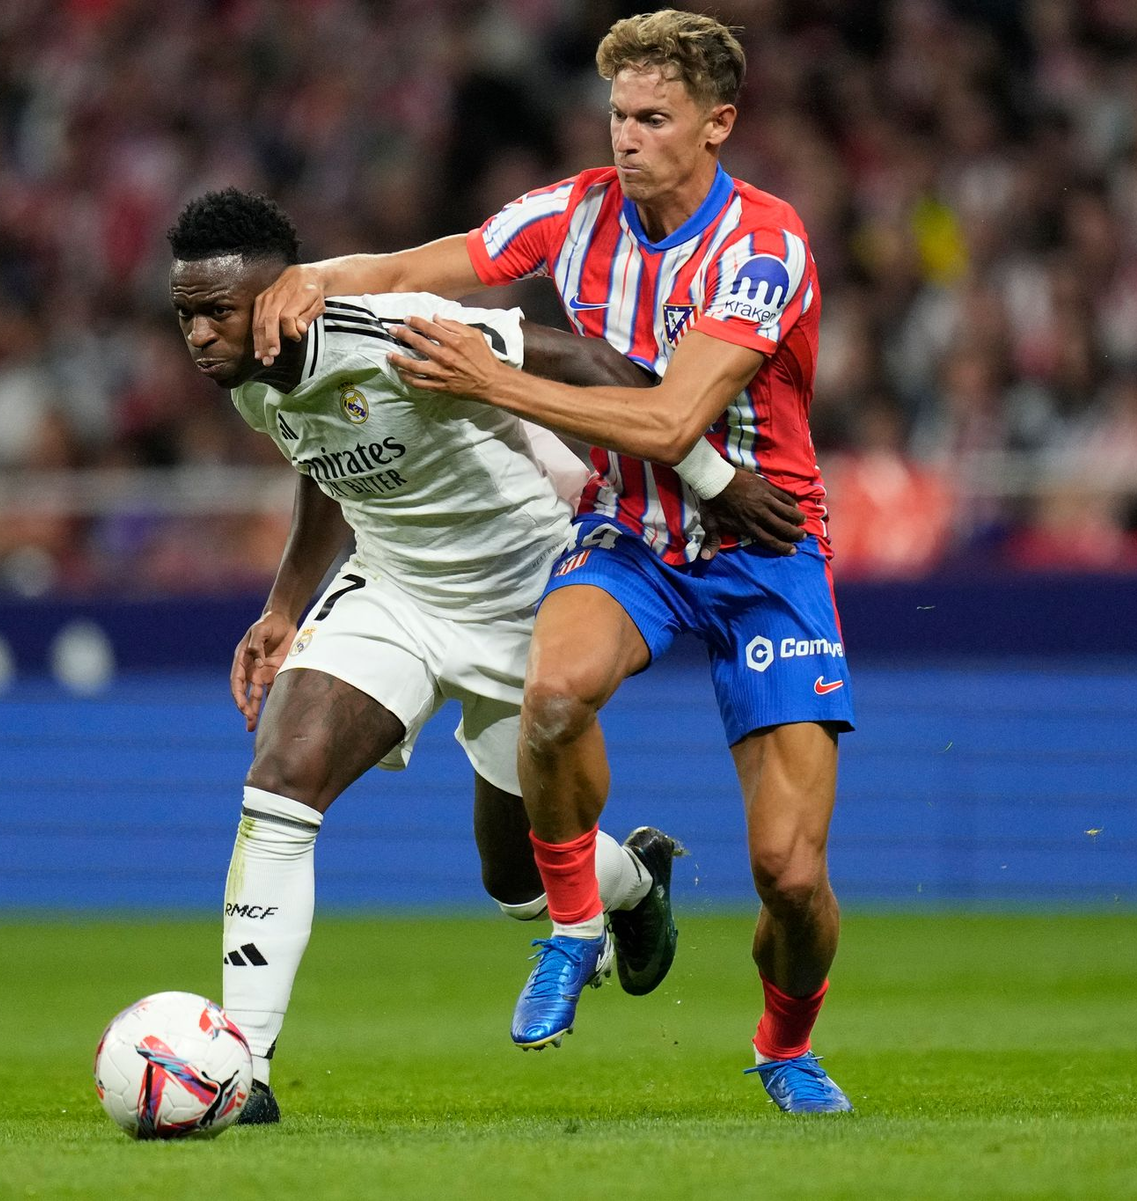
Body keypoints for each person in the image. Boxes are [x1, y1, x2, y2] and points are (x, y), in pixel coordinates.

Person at [252, 9, 855, 1114]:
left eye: (655, 118)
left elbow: (672, 421)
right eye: (618, 112)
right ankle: (575, 927)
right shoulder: (571, 212)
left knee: (792, 875)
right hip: (632, 536)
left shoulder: (764, 248)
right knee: (553, 693)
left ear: (718, 124)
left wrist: (491, 378)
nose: (627, 137)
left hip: (765, 551)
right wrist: (304, 280)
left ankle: (784, 1043)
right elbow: (408, 263)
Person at [167, 187, 691, 1125]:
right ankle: (241, 1068)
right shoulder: (251, 382)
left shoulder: (401, 330)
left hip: (527, 592)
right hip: (397, 588)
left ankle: (634, 881)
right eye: (186, 316)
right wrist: (287, 605)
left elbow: (584, 356)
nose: (200, 335)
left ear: (280, 295)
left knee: (519, 884)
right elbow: (324, 458)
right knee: (281, 776)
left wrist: (698, 476)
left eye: (217, 312)